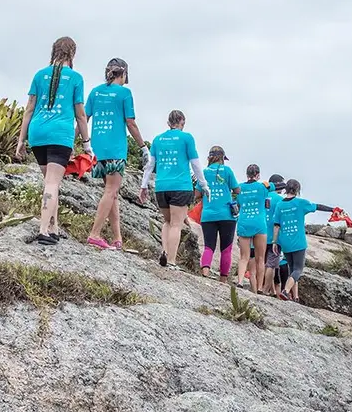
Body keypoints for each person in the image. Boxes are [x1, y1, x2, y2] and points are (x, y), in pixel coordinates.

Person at [14, 37, 90, 246]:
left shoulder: (39, 75)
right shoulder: (75, 78)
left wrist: (21, 139)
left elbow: (29, 108)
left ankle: (54, 227)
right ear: (72, 54)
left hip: (37, 133)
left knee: (50, 181)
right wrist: (86, 144)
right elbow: (81, 114)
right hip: (60, 134)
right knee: (52, 183)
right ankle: (43, 230)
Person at [84, 58, 148, 250]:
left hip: (97, 148)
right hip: (116, 149)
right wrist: (143, 147)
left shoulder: (95, 92)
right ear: (125, 74)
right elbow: (131, 122)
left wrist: (75, 141)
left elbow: (83, 117)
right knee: (111, 191)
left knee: (111, 192)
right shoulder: (125, 93)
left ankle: (117, 237)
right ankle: (94, 234)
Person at [140, 110, 209, 270]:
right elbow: (196, 164)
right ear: (182, 122)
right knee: (176, 224)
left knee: (167, 222)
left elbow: (150, 165)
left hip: (161, 186)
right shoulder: (187, 138)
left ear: (168, 122)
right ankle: (171, 260)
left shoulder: (158, 139)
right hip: (181, 186)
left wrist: (143, 185)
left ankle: (164, 251)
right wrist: (203, 184)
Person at [272, 179, 337, 301]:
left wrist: (274, 242)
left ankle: (292, 297)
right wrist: (332, 209)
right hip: (298, 241)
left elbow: (276, 225)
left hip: (285, 241)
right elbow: (317, 206)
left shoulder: (280, 205)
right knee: (298, 269)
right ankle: (285, 291)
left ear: (286, 189)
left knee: (292, 268)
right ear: (297, 190)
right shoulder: (300, 203)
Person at [198, 145, 240, 280]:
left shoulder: (203, 172)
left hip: (208, 215)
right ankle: (223, 279)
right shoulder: (227, 171)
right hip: (227, 215)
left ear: (209, 158)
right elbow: (237, 190)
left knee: (209, 246)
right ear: (222, 158)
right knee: (226, 249)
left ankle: (205, 272)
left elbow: (197, 194)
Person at [235, 164, 271, 290]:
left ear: (247, 174)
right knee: (260, 258)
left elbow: (238, 204)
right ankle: (260, 288)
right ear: (258, 175)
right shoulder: (263, 187)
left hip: (244, 222)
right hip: (259, 224)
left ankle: (239, 281)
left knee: (244, 257)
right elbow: (272, 186)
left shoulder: (239, 188)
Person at [261, 174, 287, 295]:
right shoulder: (280, 200)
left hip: (260, 233)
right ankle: (266, 290)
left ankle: (260, 287)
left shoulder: (263, 196)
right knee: (271, 265)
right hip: (275, 237)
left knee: (261, 261)